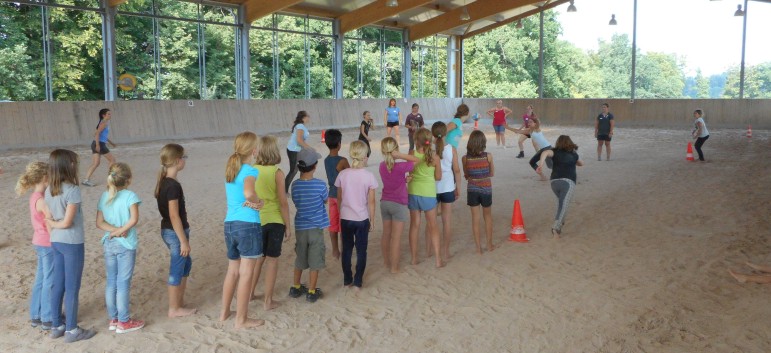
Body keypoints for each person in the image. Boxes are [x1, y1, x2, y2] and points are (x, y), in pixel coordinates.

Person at [44, 149, 96, 342]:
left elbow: (50, 219)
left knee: (58, 284)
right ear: (67, 165)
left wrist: (52, 223)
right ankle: (72, 330)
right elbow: (67, 222)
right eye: (73, 162)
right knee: (72, 287)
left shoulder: (49, 189)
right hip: (72, 241)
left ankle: (57, 325)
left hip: (56, 241)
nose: (75, 165)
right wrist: (55, 223)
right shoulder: (72, 190)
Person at [220, 131, 265, 329]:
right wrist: (257, 202)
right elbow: (248, 192)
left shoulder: (231, 169)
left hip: (230, 224)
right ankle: (241, 319)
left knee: (233, 271)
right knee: (247, 272)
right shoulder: (249, 171)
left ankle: (224, 313)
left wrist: (249, 201)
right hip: (247, 225)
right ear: (254, 150)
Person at [95, 163, 144, 334]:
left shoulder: (104, 196)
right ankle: (124, 321)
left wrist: (114, 231)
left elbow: (99, 223)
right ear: (128, 179)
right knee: (123, 283)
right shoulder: (130, 196)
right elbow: (133, 219)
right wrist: (121, 230)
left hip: (109, 242)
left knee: (111, 281)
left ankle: (113, 318)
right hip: (125, 244)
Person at [154, 143, 197, 318]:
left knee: (186, 264)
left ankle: (178, 302)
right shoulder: (171, 185)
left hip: (170, 230)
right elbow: (173, 215)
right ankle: (174, 308)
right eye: (184, 158)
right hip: (174, 232)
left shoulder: (165, 182)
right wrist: (183, 241)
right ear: (178, 161)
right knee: (177, 266)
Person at [250, 135, 292, 311]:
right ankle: (268, 300)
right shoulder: (277, 173)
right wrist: (288, 225)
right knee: (272, 260)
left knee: (258, 259)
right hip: (274, 220)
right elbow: (283, 202)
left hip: (256, 219)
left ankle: (250, 292)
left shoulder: (252, 170)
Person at [16, 161, 56, 331]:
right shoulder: (42, 200)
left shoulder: (34, 196)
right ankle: (47, 317)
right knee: (49, 279)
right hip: (47, 243)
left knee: (40, 279)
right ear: (45, 178)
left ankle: (36, 315)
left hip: (38, 241)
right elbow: (49, 222)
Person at [335, 141, 377, 289]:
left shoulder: (342, 174)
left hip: (346, 218)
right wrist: (372, 220)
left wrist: (341, 213)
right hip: (362, 218)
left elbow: (339, 198)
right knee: (361, 250)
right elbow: (371, 202)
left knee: (346, 249)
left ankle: (347, 279)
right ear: (365, 156)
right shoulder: (369, 176)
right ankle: (358, 279)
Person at [289, 147, 329, 303]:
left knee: (300, 257)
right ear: (315, 166)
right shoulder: (320, 185)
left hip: (300, 227)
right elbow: (325, 200)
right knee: (315, 260)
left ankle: (296, 286)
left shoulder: (295, 185)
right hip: (316, 228)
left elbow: (296, 201)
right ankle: (312, 290)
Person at [379, 137, 419, 273]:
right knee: (396, 237)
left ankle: (386, 262)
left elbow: (392, 179)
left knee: (386, 234)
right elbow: (416, 160)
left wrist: (404, 180)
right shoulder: (401, 166)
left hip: (384, 202)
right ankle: (394, 268)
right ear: (395, 150)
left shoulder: (381, 166)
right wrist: (399, 155)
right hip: (399, 203)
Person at [407, 128, 444, 268]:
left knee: (414, 225)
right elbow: (438, 177)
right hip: (428, 193)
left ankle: (414, 258)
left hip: (413, 192)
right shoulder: (434, 157)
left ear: (416, 140)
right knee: (433, 226)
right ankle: (438, 260)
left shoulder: (412, 153)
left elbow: (409, 170)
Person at [537, 135, 584, 237]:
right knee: (564, 206)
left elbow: (545, 152)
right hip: (568, 182)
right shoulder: (573, 154)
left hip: (554, 183)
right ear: (570, 143)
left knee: (561, 204)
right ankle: (556, 227)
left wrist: (540, 165)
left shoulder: (555, 152)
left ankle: (559, 223)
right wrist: (574, 161)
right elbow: (581, 163)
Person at [462, 131, 495, 254]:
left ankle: (478, 248)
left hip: (472, 190)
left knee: (475, 219)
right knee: (487, 217)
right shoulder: (488, 156)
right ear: (483, 143)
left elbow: (466, 175)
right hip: (486, 189)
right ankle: (489, 245)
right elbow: (492, 173)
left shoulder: (465, 158)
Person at [432, 122, 460, 260]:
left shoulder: (430, 149)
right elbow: (457, 170)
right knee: (446, 221)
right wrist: (458, 187)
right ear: (445, 133)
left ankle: (428, 250)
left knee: (431, 221)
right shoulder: (452, 149)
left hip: (432, 187)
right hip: (448, 186)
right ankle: (446, 251)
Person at [323, 129, 349, 260]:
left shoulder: (326, 160)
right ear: (339, 144)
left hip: (331, 195)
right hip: (341, 196)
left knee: (333, 224)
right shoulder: (343, 160)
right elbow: (349, 175)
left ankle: (335, 251)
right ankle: (345, 250)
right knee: (343, 223)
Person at [82, 108, 117, 187]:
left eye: (110, 114)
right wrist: (98, 145)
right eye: (108, 114)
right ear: (103, 115)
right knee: (112, 160)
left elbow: (101, 135)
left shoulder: (102, 123)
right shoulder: (103, 123)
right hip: (99, 144)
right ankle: (111, 178)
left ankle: (86, 180)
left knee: (96, 163)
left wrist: (111, 143)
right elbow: (97, 134)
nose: (110, 115)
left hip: (95, 143)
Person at [286, 111, 313, 192]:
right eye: (308, 116)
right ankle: (284, 190)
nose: (309, 117)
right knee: (293, 171)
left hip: (297, 150)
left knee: (302, 168)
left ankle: (303, 187)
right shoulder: (300, 126)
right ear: (304, 117)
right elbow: (299, 141)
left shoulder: (301, 126)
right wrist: (310, 148)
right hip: (293, 150)